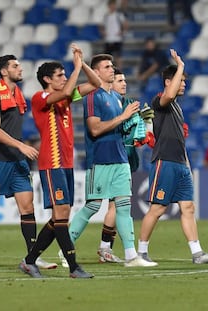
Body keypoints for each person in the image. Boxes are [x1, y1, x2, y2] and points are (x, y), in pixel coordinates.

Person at [18, 44, 101, 278]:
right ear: (47, 79)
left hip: (66, 163)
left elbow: (95, 84)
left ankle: (29, 260)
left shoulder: (64, 96)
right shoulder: (40, 97)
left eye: (66, 74)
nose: (65, 78)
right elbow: (65, 92)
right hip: (51, 162)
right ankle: (74, 267)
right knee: (62, 212)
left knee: (61, 215)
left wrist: (82, 63)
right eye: (60, 75)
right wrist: (75, 68)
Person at [66, 54, 156, 268]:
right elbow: (95, 129)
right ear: (96, 72)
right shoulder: (93, 96)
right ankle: (65, 248)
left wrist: (140, 127)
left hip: (121, 159)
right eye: (107, 67)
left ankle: (131, 256)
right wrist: (124, 117)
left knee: (124, 207)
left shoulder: (115, 98)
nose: (112, 69)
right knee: (93, 206)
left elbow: (120, 128)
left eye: (112, 66)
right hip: (101, 160)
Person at [137, 49, 208, 265]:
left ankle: (197, 253)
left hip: (180, 164)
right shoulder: (160, 101)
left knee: (188, 208)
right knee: (157, 209)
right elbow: (167, 96)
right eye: (181, 81)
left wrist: (186, 163)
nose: (184, 84)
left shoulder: (176, 106)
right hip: (164, 161)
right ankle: (140, 253)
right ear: (169, 81)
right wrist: (181, 67)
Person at [0, 54, 57, 270]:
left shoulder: (17, 95)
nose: (21, 69)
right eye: (15, 66)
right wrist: (21, 145)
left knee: (27, 206)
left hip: (17, 160)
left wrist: (21, 149)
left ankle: (32, 257)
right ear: (4, 71)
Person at [101, 0, 128, 69]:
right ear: (109, 6)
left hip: (117, 39)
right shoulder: (106, 16)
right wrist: (104, 32)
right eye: (111, 5)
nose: (112, 7)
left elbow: (125, 24)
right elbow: (102, 26)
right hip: (108, 39)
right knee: (107, 57)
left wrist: (123, 32)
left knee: (118, 57)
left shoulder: (119, 15)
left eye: (114, 5)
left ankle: (119, 71)